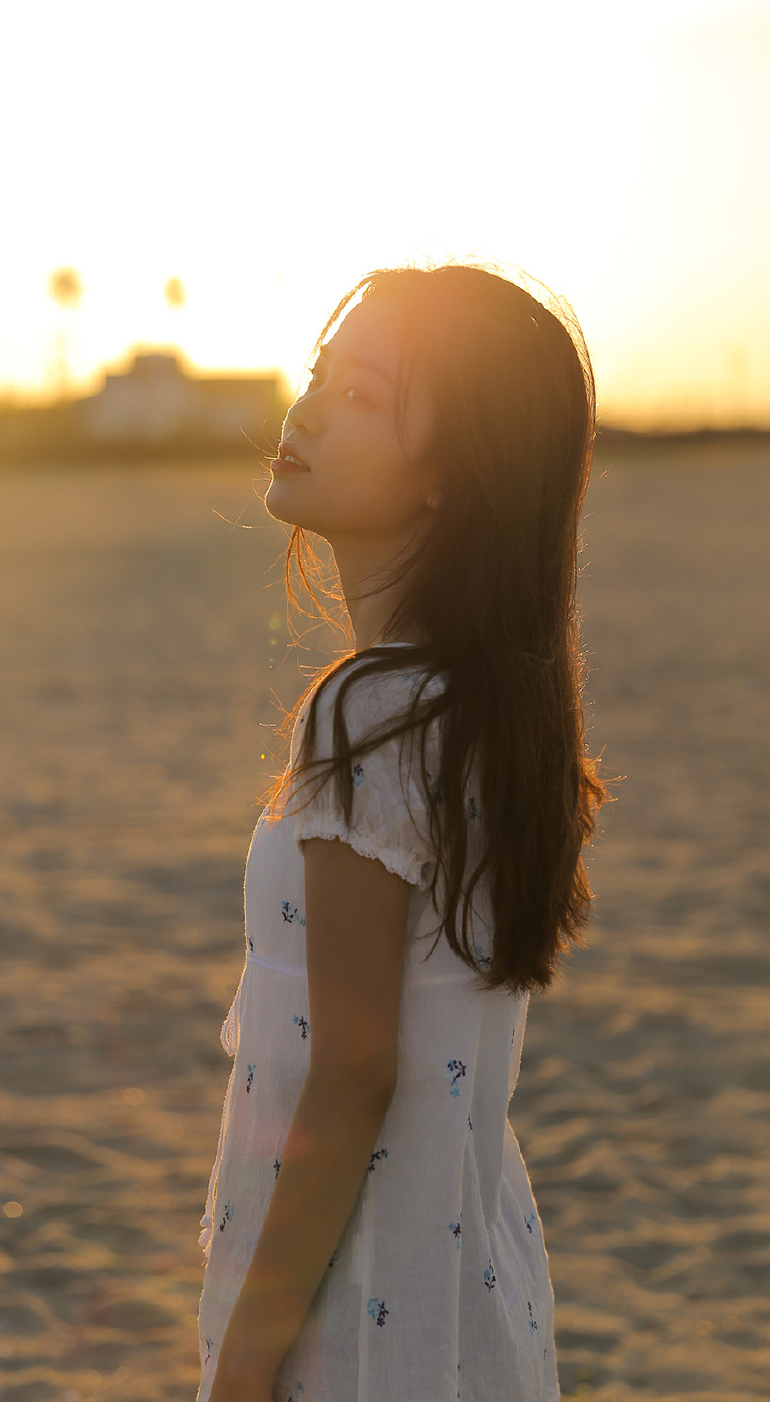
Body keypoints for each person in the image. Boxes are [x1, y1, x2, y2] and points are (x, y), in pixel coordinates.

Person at [196, 264, 607, 1402]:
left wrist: (240, 1369)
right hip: (472, 1289)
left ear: (448, 475)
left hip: (361, 1314)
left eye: (365, 397)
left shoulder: (366, 709)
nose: (309, 407)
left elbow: (354, 1069)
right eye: (319, 373)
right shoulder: (493, 713)